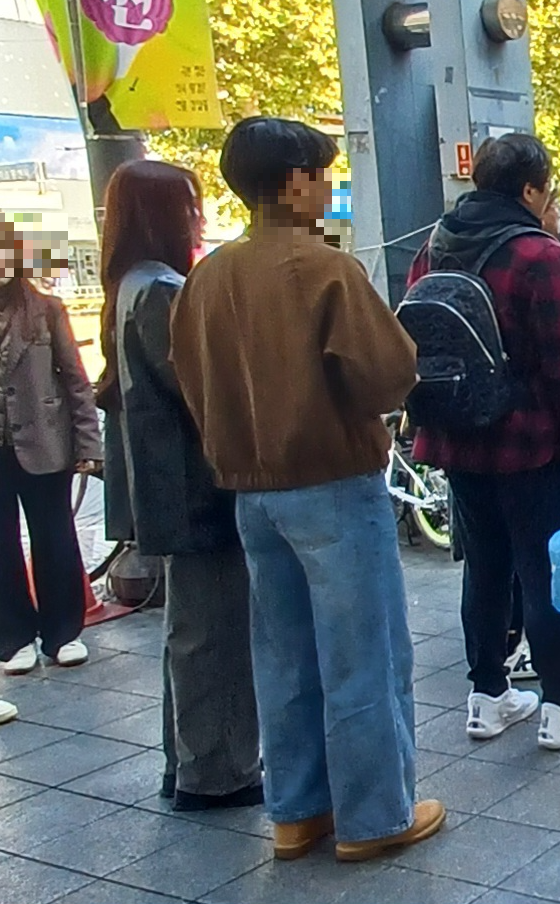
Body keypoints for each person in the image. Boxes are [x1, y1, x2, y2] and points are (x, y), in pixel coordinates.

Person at [171, 119, 440, 863]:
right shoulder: (326, 269)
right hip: (332, 480)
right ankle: (375, 815)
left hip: (251, 490)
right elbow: (389, 373)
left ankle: (296, 811)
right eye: (322, 175)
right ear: (294, 181)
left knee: (283, 653)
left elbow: (189, 380)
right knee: (364, 654)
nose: (328, 187)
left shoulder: (209, 276)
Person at [406, 134, 560, 752]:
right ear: (530, 189)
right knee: (545, 572)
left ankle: (488, 697)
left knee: (486, 568)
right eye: (547, 189)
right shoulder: (537, 254)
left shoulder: (436, 247)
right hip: (531, 446)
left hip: (455, 438)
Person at [103, 160, 261, 809]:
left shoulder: (130, 284)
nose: (198, 216)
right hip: (196, 489)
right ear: (162, 213)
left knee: (190, 630)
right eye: (190, 204)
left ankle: (188, 762)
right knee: (214, 632)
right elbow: (200, 389)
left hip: (165, 489)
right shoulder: (163, 291)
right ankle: (217, 771)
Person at [0, 213, 102, 676]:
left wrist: (88, 442)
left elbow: (76, 379)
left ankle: (63, 632)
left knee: (55, 537)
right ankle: (11, 639)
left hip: (46, 439)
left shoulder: (46, 308)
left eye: (2, 250)